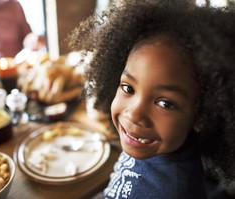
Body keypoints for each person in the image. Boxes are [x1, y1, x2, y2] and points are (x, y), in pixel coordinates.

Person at [68, 0, 235, 198]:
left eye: (165, 103)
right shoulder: (147, 144)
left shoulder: (171, 192)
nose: (134, 113)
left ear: (201, 115)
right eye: (128, 88)